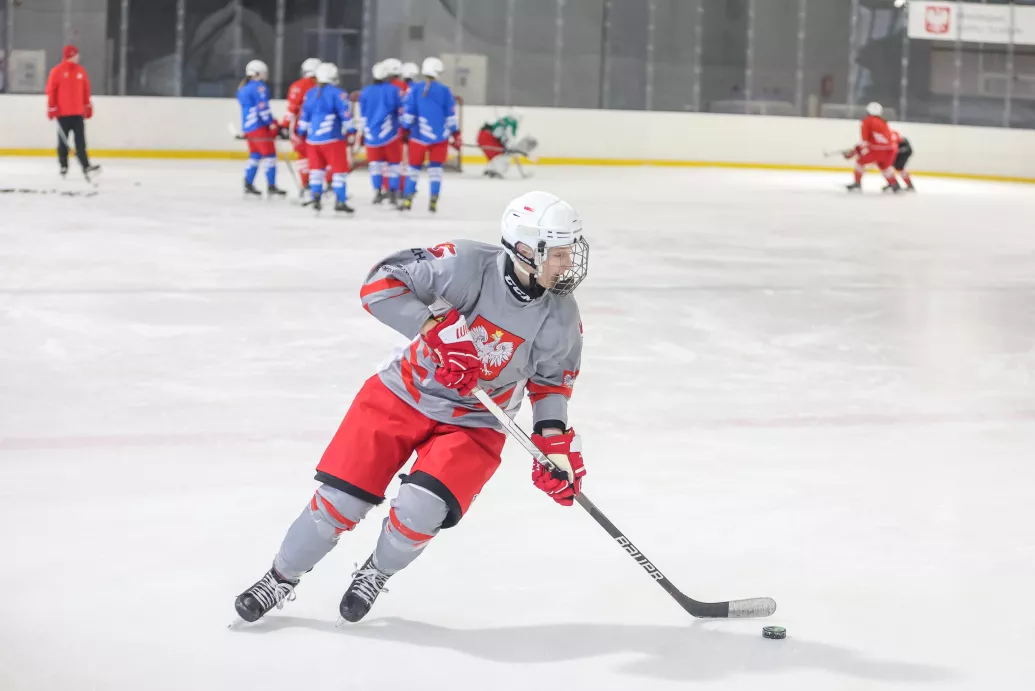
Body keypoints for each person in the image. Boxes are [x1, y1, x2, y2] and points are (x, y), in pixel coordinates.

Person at [233, 190, 590, 625]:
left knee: (422, 510)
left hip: (475, 422)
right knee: (339, 501)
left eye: (570, 252)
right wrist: (432, 327)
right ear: (524, 249)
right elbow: (380, 284)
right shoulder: (465, 265)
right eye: (557, 254)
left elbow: (551, 383)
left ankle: (376, 573)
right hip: (403, 394)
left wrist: (553, 446)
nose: (567, 264)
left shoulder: (561, 315)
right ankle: (279, 578)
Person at [399, 57, 461, 212]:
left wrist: (405, 129)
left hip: (417, 137)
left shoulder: (415, 89)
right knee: (436, 170)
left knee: (413, 169)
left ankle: (407, 200)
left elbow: (409, 113)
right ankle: (433, 200)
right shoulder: (445, 91)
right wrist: (456, 134)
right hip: (440, 137)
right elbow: (451, 115)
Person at [298, 62, 356, 214]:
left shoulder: (310, 93)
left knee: (316, 171)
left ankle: (316, 199)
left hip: (312, 140)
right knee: (339, 171)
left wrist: (300, 132)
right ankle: (340, 201)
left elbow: (304, 117)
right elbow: (346, 115)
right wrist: (351, 131)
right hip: (332, 139)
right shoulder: (339, 93)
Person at [45, 45, 100, 179]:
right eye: (76, 54)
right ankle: (63, 165)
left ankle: (86, 165)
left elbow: (86, 90)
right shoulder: (57, 71)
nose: (78, 57)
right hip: (62, 114)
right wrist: (52, 107)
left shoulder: (81, 71)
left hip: (78, 113)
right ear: (70, 55)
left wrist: (87, 105)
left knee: (80, 141)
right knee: (63, 142)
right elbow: (51, 90)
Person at [237, 59, 287, 197]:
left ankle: (248, 183)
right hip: (259, 127)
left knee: (255, 155)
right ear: (258, 73)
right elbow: (262, 108)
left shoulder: (243, 88)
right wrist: (272, 123)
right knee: (270, 156)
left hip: (248, 127)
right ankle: (271, 186)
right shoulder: (259, 87)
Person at [358, 61, 403, 204]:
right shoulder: (394, 90)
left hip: (371, 135)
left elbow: (363, 115)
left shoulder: (365, 91)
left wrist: (362, 133)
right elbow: (400, 111)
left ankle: (377, 192)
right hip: (391, 134)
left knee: (375, 166)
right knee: (394, 165)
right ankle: (393, 192)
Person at [282, 58, 321, 197]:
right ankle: (322, 185)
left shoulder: (296, 85)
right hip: (317, 127)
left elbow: (292, 109)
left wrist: (284, 125)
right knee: (319, 156)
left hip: (298, 128)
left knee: (303, 156)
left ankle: (305, 183)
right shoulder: (320, 87)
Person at [843, 102, 899, 193]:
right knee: (884, 167)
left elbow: (864, 141)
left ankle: (857, 183)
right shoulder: (883, 121)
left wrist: (855, 151)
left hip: (876, 150)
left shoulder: (867, 121)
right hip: (890, 150)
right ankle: (894, 184)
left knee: (860, 162)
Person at [478, 113, 519, 179]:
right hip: (487, 137)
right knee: (503, 155)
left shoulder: (506, 121)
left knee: (498, 155)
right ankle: (494, 171)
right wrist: (506, 142)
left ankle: (490, 170)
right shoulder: (509, 123)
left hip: (483, 136)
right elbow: (497, 134)